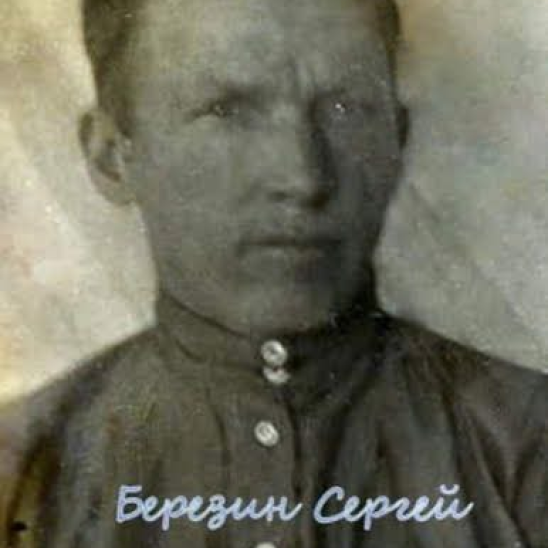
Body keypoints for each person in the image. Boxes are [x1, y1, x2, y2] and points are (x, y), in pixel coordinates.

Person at [4, 0, 547, 546]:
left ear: (397, 137)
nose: (303, 176)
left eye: (345, 107)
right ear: (111, 156)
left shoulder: (527, 448)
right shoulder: (21, 477)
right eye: (227, 111)